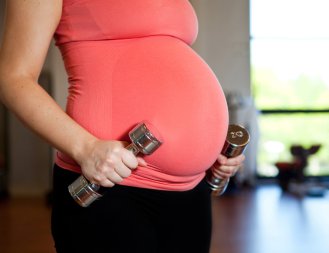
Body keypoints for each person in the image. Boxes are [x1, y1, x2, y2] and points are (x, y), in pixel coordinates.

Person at [0, 0, 245, 252]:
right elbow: (13, 78)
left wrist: (205, 145)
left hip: (191, 191)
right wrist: (86, 148)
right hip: (112, 183)